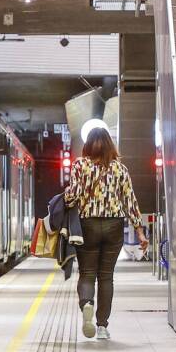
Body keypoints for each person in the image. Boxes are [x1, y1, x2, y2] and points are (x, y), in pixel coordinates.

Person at [63, 127, 147, 340]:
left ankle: (87, 304)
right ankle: (102, 326)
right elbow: (130, 201)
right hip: (114, 225)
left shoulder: (80, 166)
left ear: (88, 145)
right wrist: (139, 231)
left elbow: (72, 196)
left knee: (87, 273)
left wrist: (67, 198)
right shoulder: (120, 169)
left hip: (87, 225)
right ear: (110, 144)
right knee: (106, 276)